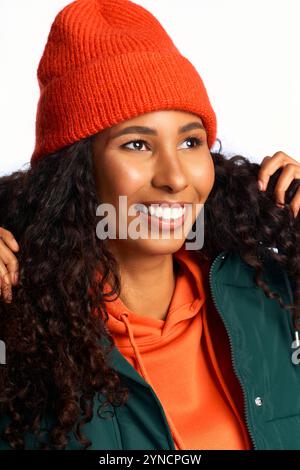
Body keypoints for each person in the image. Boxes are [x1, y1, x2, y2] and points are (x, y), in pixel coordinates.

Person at [0, 0, 300, 451]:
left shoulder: (271, 294)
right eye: (137, 144)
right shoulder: (19, 329)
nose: (175, 177)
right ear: (78, 171)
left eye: (191, 141)